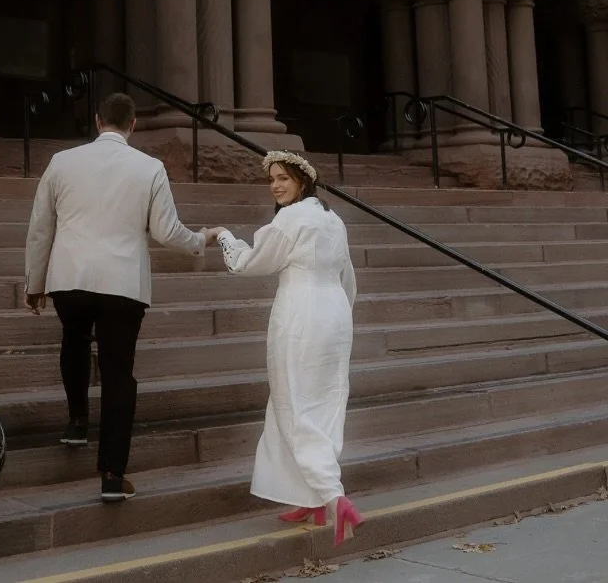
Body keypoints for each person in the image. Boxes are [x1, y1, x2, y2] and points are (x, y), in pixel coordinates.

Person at [24, 91, 209, 503]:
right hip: (122, 283)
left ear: (96, 121)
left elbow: (41, 227)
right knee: (118, 372)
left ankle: (75, 423)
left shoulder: (61, 162)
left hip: (68, 277)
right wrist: (201, 241)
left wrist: (34, 282)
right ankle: (112, 473)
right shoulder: (150, 168)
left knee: (73, 341)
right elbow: (165, 231)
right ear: (133, 125)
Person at [213, 150, 362, 547]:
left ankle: (332, 497)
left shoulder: (291, 219)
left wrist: (224, 236)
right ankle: (308, 497)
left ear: (302, 181)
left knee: (293, 404)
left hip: (300, 316)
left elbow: (250, 263)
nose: (277, 185)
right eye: (272, 179)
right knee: (320, 403)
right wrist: (339, 319)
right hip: (333, 316)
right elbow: (349, 278)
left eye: (283, 178)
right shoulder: (333, 219)